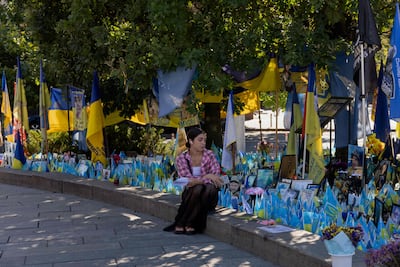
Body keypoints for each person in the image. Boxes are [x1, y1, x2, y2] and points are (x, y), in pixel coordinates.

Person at [164, 127, 223, 235]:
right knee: (197, 188)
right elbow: (187, 181)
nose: (203, 143)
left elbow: (215, 178)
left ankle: (183, 222)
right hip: (191, 194)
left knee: (206, 188)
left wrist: (202, 179)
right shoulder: (182, 158)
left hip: (209, 195)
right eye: (200, 140)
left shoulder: (210, 155)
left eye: (204, 140)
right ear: (191, 141)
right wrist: (207, 176)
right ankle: (190, 224)